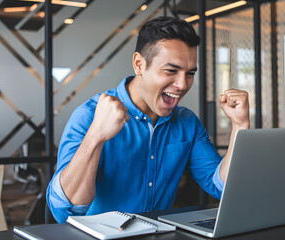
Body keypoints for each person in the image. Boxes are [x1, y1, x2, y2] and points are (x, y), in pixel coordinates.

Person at [46, 16, 250, 223]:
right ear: (139, 64)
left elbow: (220, 186)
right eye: (171, 70)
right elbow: (64, 209)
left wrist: (239, 125)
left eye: (190, 73)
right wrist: (95, 137)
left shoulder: (187, 122)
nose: (182, 84)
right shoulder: (90, 115)